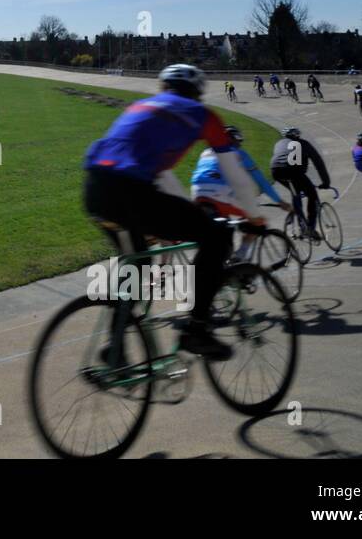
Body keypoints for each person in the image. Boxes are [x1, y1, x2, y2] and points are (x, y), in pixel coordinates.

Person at [83, 63, 270, 360]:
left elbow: (159, 175)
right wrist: (255, 216)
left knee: (138, 262)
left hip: (95, 190)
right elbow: (235, 174)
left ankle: (115, 347)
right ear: (197, 92)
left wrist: (186, 214)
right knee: (217, 238)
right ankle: (197, 329)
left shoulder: (140, 107)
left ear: (164, 87)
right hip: (131, 192)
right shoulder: (203, 115)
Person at [190, 125, 290, 261]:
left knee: (223, 227)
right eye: (239, 141)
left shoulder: (205, 152)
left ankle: (224, 260)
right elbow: (261, 181)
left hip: (197, 192)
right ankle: (240, 255)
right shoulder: (239, 154)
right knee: (257, 221)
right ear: (233, 140)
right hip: (220, 192)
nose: (240, 145)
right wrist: (280, 201)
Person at [269, 127, 332, 234]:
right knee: (312, 194)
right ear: (297, 136)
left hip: (275, 171)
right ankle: (310, 228)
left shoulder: (278, 143)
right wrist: (326, 182)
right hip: (294, 171)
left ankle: (300, 223)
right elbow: (318, 163)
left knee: (296, 192)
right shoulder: (304, 143)